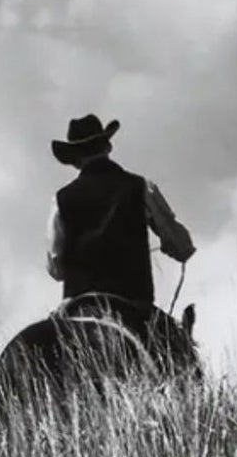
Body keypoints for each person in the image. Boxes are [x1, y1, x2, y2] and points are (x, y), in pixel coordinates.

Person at [45, 113, 195, 318]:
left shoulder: (60, 200)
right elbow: (180, 245)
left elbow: (56, 270)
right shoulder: (142, 187)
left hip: (78, 307)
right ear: (108, 147)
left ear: (75, 159)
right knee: (177, 346)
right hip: (134, 304)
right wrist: (178, 248)